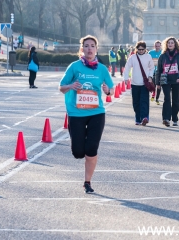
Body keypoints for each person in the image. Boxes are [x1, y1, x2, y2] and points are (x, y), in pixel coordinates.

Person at [59, 35, 114, 194]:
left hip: (97, 112)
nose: (89, 49)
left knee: (91, 148)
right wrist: (71, 85)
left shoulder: (102, 69)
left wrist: (107, 91)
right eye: (86, 46)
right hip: (76, 113)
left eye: (92, 46)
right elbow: (61, 87)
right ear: (82, 49)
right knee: (78, 152)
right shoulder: (74, 67)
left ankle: (87, 181)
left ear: (96, 49)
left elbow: (111, 88)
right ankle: (80, 139)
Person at [155, 36, 179, 127]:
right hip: (166, 80)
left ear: (175, 44)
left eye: (172, 43)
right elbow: (159, 70)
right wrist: (157, 83)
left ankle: (175, 118)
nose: (170, 44)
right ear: (166, 45)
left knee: (176, 100)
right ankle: (166, 119)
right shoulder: (162, 56)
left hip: (176, 80)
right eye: (169, 43)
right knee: (167, 99)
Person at [123, 41, 155, 126]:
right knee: (136, 102)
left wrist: (150, 77)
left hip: (145, 83)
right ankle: (137, 118)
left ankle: (145, 117)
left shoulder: (148, 57)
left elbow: (152, 68)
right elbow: (127, 68)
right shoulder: (132, 57)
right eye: (139, 49)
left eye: (142, 49)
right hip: (135, 83)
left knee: (144, 101)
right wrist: (126, 78)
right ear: (136, 49)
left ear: (145, 49)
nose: (141, 51)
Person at [148, 40, 162, 105]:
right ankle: (153, 94)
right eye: (156, 46)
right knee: (153, 84)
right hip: (152, 71)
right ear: (154, 46)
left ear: (160, 46)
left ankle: (157, 98)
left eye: (158, 46)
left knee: (159, 86)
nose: (157, 47)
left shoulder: (162, 53)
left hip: (160, 72)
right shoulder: (150, 52)